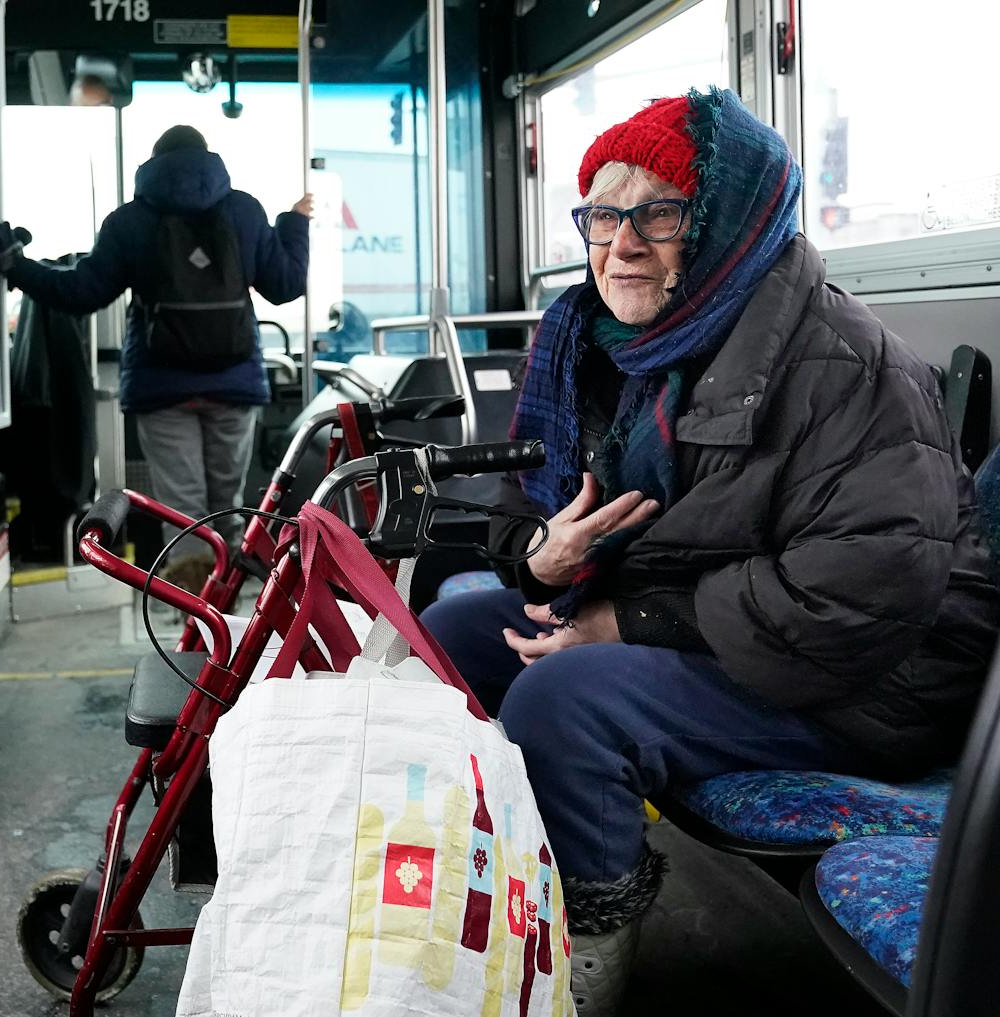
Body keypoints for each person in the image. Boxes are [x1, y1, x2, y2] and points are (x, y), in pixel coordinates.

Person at [421, 87, 999, 1015]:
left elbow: (859, 595)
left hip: (872, 676)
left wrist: (618, 622)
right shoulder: (592, 344)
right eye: (604, 214)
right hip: (713, 618)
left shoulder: (850, 364)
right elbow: (524, 502)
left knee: (567, 700)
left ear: (728, 224)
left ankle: (588, 963)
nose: (622, 242)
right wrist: (541, 560)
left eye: (660, 212)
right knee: (452, 631)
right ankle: (496, 884)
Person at [0, 125, 312, 589]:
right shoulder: (244, 210)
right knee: (229, 501)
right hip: (233, 382)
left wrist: (17, 266)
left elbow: (81, 292)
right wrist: (294, 224)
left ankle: (194, 616)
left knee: (182, 507)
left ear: (153, 163)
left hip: (162, 388)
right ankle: (233, 610)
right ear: (209, 160)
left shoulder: (131, 220)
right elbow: (286, 286)